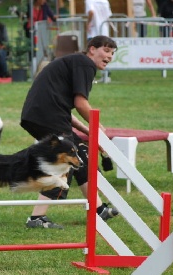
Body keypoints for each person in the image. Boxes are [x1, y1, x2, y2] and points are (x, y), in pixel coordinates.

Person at [20, 35, 119, 229]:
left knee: (80, 156)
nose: (109, 56)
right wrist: (96, 125)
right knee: (67, 161)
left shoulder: (74, 63)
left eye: (113, 53)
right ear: (92, 49)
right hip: (46, 116)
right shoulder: (84, 64)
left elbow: (65, 110)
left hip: (40, 115)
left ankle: (98, 210)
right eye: (106, 51)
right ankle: (36, 218)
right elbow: (80, 103)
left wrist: (88, 131)